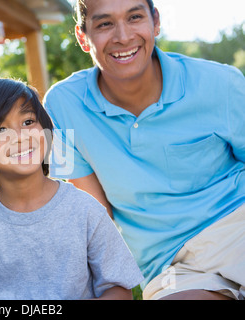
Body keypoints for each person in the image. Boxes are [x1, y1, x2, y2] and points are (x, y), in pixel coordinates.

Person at [43, 0, 245, 300]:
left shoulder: (221, 83)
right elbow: (98, 218)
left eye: (135, 17)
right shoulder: (61, 106)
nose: (123, 36)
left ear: (155, 22)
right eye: (104, 24)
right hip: (172, 267)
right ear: (83, 37)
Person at [0, 78, 143, 300]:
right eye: (0, 129)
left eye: (28, 122)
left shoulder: (84, 209)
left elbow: (119, 289)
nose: (20, 137)